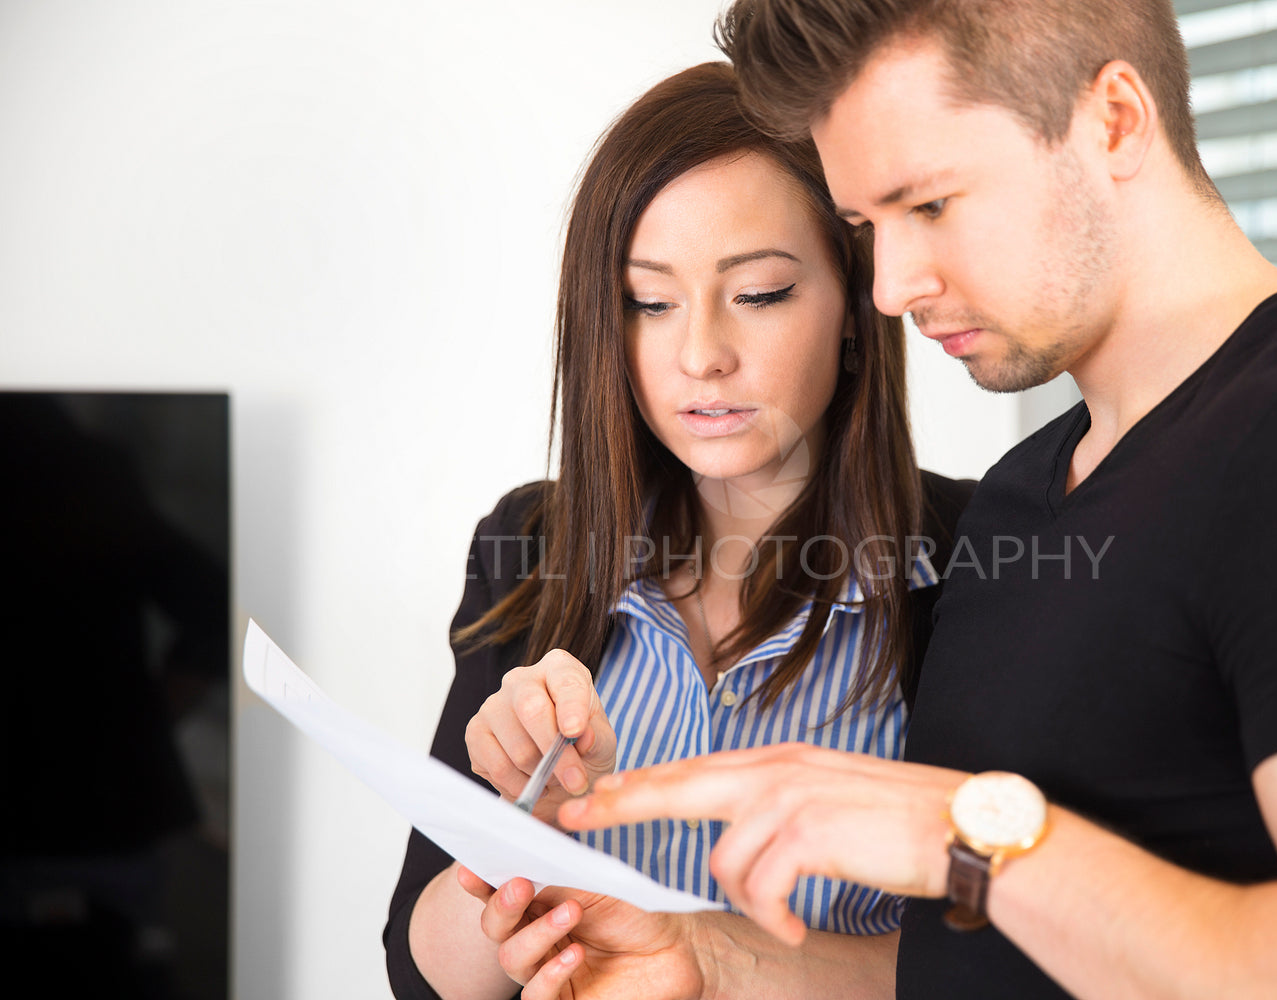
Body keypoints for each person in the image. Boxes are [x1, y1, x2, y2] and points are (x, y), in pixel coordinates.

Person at [559, 2, 1277, 998]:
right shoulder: (1021, 504)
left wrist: (964, 831)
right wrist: (703, 956)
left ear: (1115, 121)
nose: (891, 287)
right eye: (865, 226)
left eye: (928, 206)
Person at [383, 60, 973, 1000]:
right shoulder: (531, 542)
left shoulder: (978, 555)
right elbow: (426, 973)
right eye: (649, 304)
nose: (701, 355)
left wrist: (716, 957)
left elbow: (1005, 957)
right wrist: (519, 818)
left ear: (856, 305)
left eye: (762, 293)